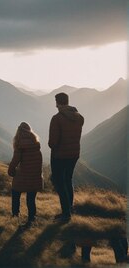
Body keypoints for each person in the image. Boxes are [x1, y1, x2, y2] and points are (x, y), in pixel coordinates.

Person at [49, 92, 84, 222]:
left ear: (57, 102)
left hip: (60, 155)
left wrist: (50, 145)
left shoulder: (56, 119)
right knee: (68, 179)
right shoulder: (79, 117)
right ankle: (70, 208)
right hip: (74, 154)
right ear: (67, 101)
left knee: (59, 182)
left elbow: (53, 142)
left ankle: (66, 214)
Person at [7, 122, 43, 228]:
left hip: (22, 176)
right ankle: (32, 218)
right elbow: (39, 162)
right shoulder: (36, 144)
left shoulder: (19, 145)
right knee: (31, 199)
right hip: (35, 176)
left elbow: (15, 161)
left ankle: (15, 215)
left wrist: (11, 171)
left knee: (15, 193)